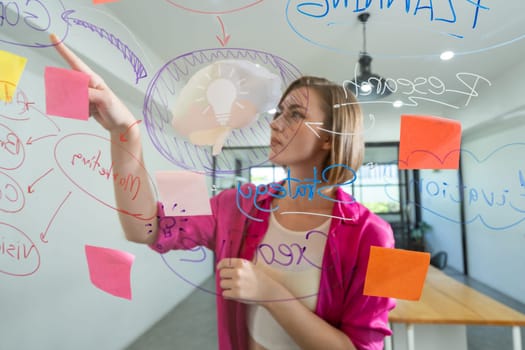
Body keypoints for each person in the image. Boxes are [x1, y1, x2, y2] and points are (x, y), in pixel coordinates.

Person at [51, 34, 395, 350]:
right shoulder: (236, 204)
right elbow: (147, 228)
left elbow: (362, 347)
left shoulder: (376, 237)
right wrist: (125, 133)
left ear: (329, 136)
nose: (275, 123)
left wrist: (268, 291)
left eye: (295, 114)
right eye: (278, 113)